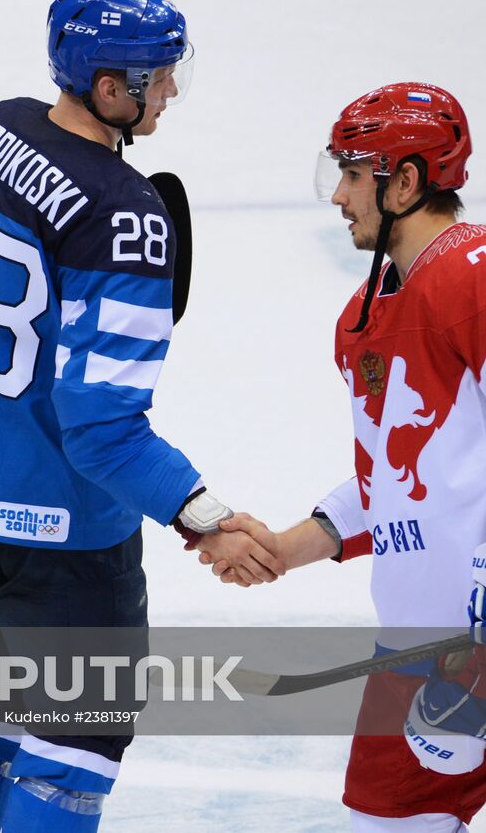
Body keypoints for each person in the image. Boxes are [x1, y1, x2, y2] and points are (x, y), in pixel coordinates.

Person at [0, 0, 284, 832]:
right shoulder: (125, 216)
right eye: (159, 77)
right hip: (65, 548)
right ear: (112, 88)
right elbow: (102, 432)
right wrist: (204, 515)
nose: (171, 90)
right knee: (67, 765)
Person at [204, 83, 486, 832]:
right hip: (423, 645)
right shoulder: (365, 318)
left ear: (406, 181)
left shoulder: (474, 275)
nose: (337, 195)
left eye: (354, 173)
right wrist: (285, 549)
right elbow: (394, 480)